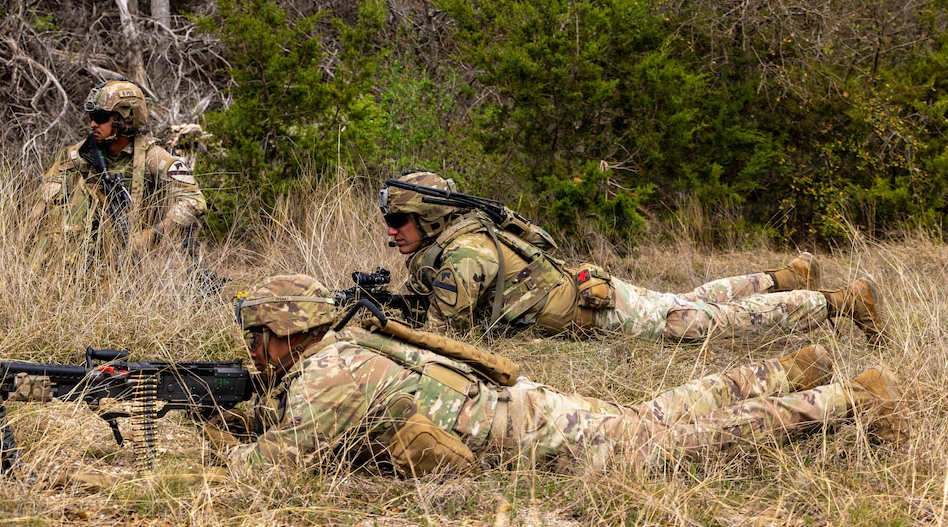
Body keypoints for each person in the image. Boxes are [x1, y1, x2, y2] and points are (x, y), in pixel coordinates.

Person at [204, 274, 904, 478]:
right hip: (527, 407)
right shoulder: (349, 347)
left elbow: (274, 469)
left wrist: (223, 442)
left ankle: (848, 398)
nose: (256, 350)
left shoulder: (329, 370)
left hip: (537, 437)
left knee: (673, 446)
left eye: (260, 335)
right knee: (655, 416)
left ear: (291, 332)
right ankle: (789, 369)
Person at [379, 172, 887, 346]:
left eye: (398, 221)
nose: (391, 232)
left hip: (600, 310)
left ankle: (839, 303)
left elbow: (443, 336)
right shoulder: (449, 243)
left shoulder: (465, 252)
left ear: (429, 219)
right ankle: (786, 276)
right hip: (590, 293)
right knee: (686, 301)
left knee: (701, 324)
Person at [32, 79, 206, 264]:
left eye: (100, 118)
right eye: (91, 117)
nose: (92, 124)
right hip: (78, 252)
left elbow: (195, 200)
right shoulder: (80, 154)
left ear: (124, 118)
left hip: (135, 257)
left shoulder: (153, 158)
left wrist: (155, 233)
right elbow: (48, 191)